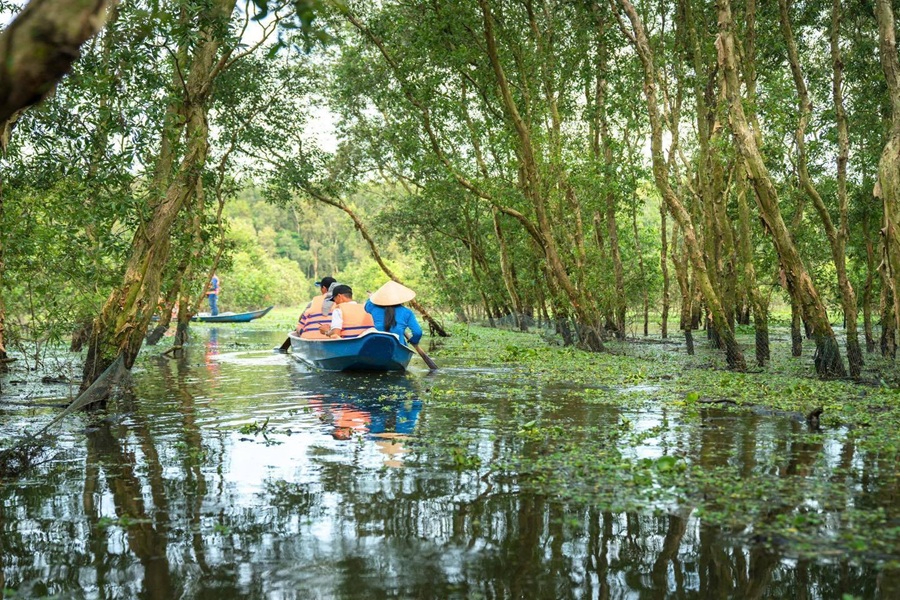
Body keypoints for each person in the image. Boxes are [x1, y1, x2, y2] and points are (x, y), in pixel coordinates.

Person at [365, 281, 423, 346]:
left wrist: (371, 297)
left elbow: (367, 305)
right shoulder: (407, 312)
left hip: (377, 345)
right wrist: (414, 340)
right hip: (398, 345)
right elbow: (418, 333)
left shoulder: (373, 308)